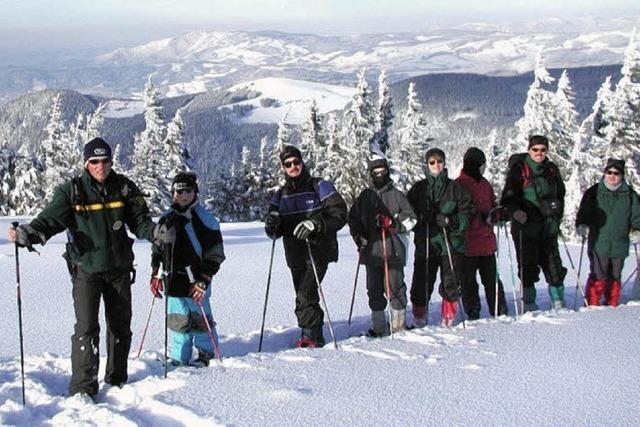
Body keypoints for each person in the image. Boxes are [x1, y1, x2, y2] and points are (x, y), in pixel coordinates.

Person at [8, 137, 172, 401]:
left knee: (120, 326)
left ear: (111, 161)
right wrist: (29, 233)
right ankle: (83, 388)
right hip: (86, 270)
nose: (101, 166)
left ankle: (117, 380)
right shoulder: (72, 192)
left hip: (119, 268)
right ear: (86, 163)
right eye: (94, 161)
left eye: (105, 160)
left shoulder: (125, 188)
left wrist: (155, 233)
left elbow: (140, 222)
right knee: (86, 328)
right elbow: (49, 221)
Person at [264, 145, 347, 348]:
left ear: (302, 162)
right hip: (294, 254)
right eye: (288, 164)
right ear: (283, 168)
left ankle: (311, 337)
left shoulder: (319, 186)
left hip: (319, 249)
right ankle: (311, 332)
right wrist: (273, 225)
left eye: (296, 162)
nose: (293, 167)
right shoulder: (280, 195)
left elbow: (340, 213)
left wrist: (315, 224)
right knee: (304, 294)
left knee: (305, 294)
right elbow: (273, 228)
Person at [150, 172, 226, 366]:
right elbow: (157, 250)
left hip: (197, 280)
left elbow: (215, 253)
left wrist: (205, 278)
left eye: (188, 190)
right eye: (179, 190)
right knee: (178, 320)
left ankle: (206, 354)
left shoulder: (205, 220)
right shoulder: (165, 219)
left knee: (200, 320)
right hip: (173, 279)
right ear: (173, 193)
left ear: (195, 192)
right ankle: (179, 357)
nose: (183, 195)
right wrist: (155, 274)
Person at [348, 158, 417, 336]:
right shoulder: (364, 197)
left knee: (395, 288)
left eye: (382, 171)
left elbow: (412, 219)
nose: (380, 175)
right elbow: (353, 219)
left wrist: (393, 223)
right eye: (376, 172)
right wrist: (358, 236)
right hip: (372, 251)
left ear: (387, 171)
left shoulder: (396, 195)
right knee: (374, 289)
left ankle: (398, 326)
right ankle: (379, 327)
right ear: (371, 175)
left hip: (393, 250)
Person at [407, 148, 474, 327]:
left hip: (450, 243)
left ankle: (448, 317)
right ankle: (419, 317)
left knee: (451, 282)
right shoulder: (419, 189)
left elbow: (468, 213)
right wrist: (420, 219)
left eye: (439, 161)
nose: (436, 165)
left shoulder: (456, 188)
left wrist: (451, 221)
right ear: (427, 165)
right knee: (421, 281)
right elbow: (407, 214)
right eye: (432, 162)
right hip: (427, 241)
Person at [500, 135, 566, 311]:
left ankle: (558, 301)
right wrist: (515, 212)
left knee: (554, 266)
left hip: (548, 226)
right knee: (528, 267)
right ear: (529, 150)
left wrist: (557, 216)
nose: (539, 153)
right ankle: (529, 303)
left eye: (543, 149)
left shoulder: (551, 170)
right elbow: (507, 198)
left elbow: (561, 195)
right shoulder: (519, 170)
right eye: (535, 149)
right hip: (525, 227)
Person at [576, 158, 640, 307]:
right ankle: (592, 305)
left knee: (615, 276)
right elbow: (583, 213)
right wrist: (582, 225)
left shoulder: (630, 195)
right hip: (599, 242)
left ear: (622, 175)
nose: (612, 175)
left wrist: (637, 230)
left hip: (620, 242)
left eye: (616, 173)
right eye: (609, 172)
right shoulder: (594, 192)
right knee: (598, 274)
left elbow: (637, 216)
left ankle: (612, 306)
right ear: (604, 173)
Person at [456, 147, 508, 319]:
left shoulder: (485, 184)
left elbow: (492, 203)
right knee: (469, 282)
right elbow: (460, 215)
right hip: (468, 244)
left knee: (492, 280)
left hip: (486, 243)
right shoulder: (459, 185)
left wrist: (498, 213)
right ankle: (473, 313)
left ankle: (500, 311)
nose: (483, 168)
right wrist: (482, 218)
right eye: (481, 165)